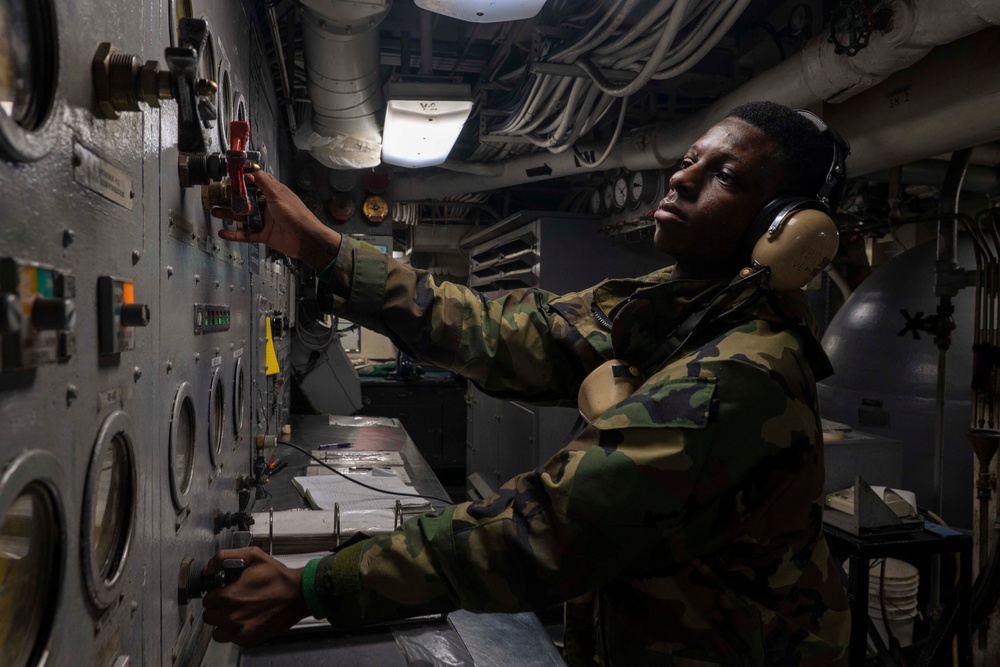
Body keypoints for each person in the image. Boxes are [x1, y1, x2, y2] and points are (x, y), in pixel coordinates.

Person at [202, 100, 852, 666]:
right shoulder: (669, 306)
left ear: (784, 228)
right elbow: (499, 328)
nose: (682, 177)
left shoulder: (743, 373)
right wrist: (318, 244)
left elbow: (545, 527)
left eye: (725, 176)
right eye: (689, 159)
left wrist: (315, 586)